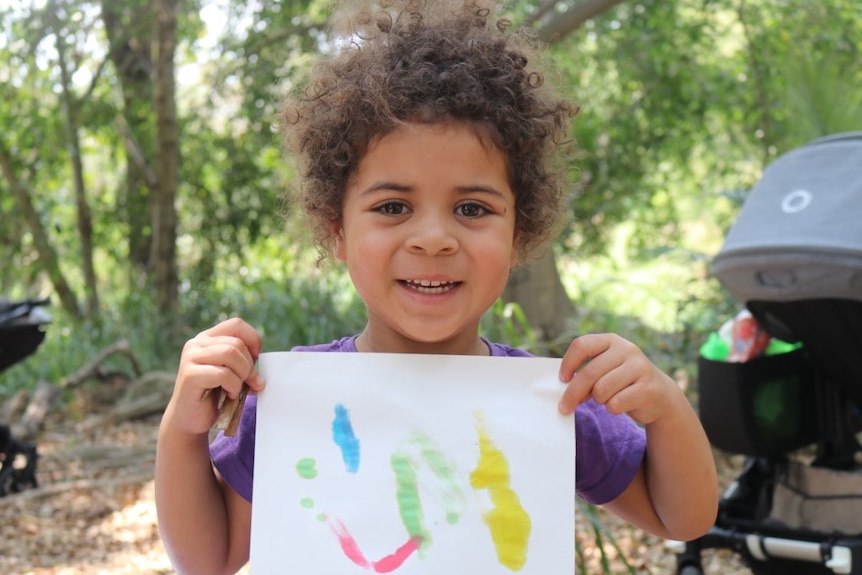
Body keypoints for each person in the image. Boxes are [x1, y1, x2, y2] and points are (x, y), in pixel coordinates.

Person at [154, 0, 719, 572]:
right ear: (338, 230)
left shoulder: (552, 404)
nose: (433, 238)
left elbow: (684, 519)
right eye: (393, 205)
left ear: (518, 233)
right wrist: (182, 429)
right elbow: (210, 560)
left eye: (472, 208)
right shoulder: (293, 405)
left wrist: (665, 406)